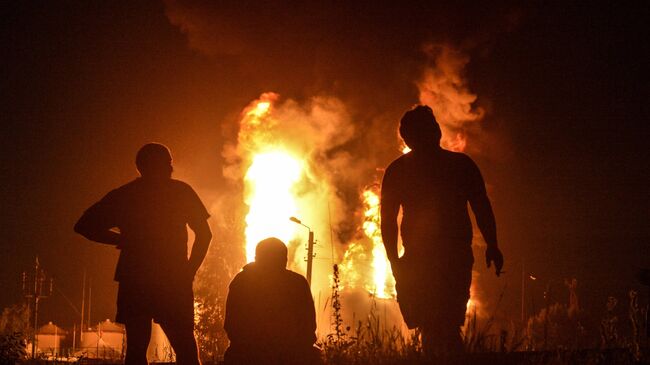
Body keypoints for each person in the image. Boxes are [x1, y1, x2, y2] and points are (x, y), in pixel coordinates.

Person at [380, 105, 503, 360]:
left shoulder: (399, 170)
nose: (436, 130)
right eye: (431, 126)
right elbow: (481, 206)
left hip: (427, 259)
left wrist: (395, 261)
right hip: (448, 257)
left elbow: (388, 222)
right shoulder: (459, 165)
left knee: (433, 322)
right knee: (443, 321)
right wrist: (492, 243)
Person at [74, 143, 212, 365]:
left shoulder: (125, 195)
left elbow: (84, 225)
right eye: (167, 163)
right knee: (185, 348)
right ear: (158, 165)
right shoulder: (180, 192)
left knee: (136, 350)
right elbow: (204, 234)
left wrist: (121, 239)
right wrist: (189, 271)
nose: (171, 168)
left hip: (135, 279)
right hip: (172, 279)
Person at [224, 237, 320, 365]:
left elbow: (231, 326)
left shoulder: (241, 281)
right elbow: (308, 327)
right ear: (284, 260)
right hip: (290, 356)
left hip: (248, 354)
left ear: (257, 258)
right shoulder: (298, 283)